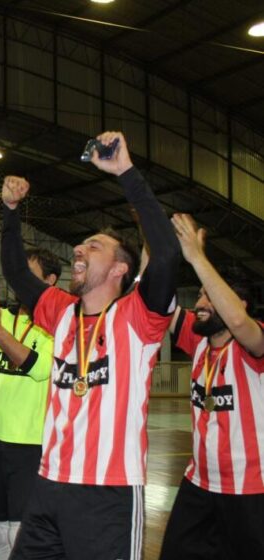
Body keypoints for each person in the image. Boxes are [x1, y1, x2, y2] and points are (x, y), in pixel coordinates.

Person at [0, 131, 181, 560]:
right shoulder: (60, 311)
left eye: (93, 246)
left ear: (121, 268)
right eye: (81, 245)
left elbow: (169, 255)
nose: (79, 249)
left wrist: (125, 172)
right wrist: (9, 211)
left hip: (109, 492)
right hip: (49, 483)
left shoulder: (138, 317)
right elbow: (15, 271)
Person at [158, 214, 264, 560]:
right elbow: (157, 301)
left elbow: (236, 321)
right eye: (199, 296)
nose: (199, 305)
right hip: (199, 483)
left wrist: (197, 258)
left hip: (250, 489)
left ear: (239, 302)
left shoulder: (253, 344)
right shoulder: (198, 340)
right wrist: (152, 237)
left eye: (208, 297)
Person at [0, 248, 60, 560]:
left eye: (28, 275)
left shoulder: (58, 325)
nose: (20, 283)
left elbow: (38, 368)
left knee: (21, 529)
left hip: (31, 443)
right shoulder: (1, 318)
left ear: (51, 281)